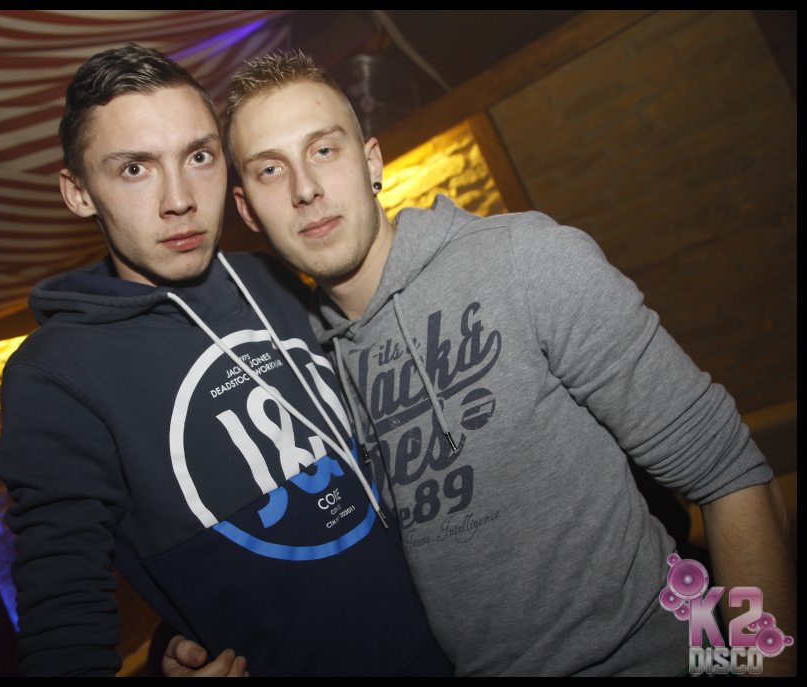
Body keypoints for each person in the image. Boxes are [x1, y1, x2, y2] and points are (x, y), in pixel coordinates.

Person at [170, 50, 794, 676]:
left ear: (371, 163)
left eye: (324, 150)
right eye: (271, 169)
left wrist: (752, 664)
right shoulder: (309, 369)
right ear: (247, 210)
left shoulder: (524, 260)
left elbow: (732, 478)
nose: (305, 188)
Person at [0, 44, 451, 677]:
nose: (179, 199)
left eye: (199, 157)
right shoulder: (54, 373)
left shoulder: (276, 276)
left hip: (466, 647)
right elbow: (63, 611)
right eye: (135, 168)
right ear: (79, 192)